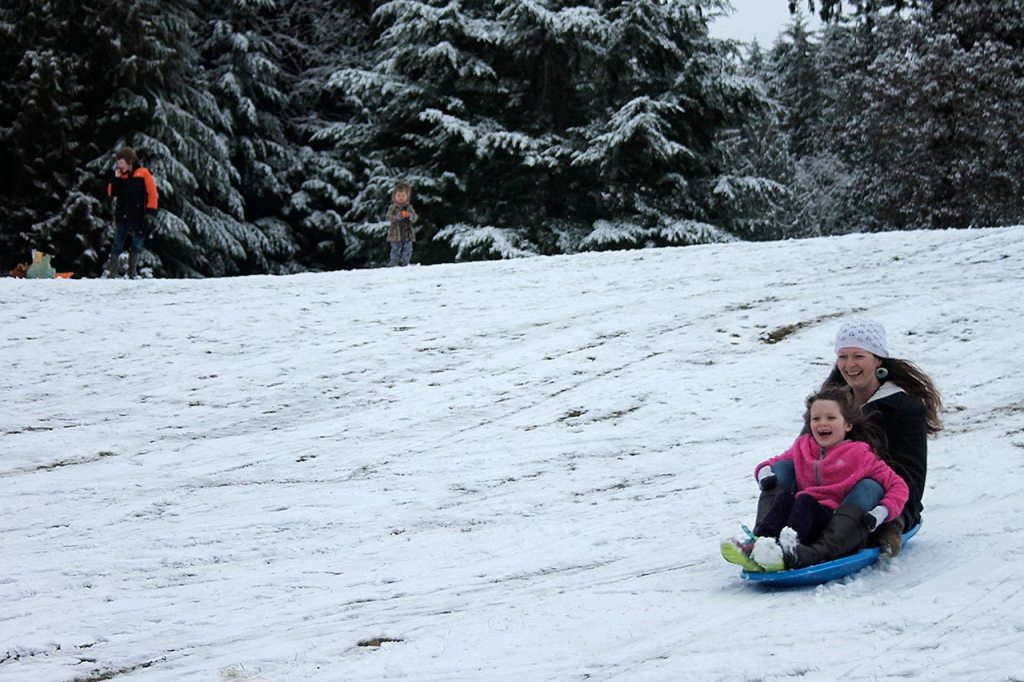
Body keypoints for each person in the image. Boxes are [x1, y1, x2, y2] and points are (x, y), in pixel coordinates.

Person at [752, 319, 942, 568]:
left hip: (867, 506)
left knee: (869, 484)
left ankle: (820, 549)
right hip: (816, 503)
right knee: (783, 468)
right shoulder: (830, 402)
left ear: (878, 359)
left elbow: (910, 479)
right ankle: (763, 541)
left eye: (858, 356)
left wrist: (894, 521)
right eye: (843, 357)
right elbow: (806, 451)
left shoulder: (904, 407)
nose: (849, 365)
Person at [722, 386, 909, 572]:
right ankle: (761, 543)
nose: (822, 423)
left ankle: (788, 548)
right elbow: (774, 463)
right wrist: (765, 474)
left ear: (847, 425)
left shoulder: (860, 454)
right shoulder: (803, 446)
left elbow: (898, 485)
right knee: (785, 499)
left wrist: (882, 511)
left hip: (832, 520)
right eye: (816, 418)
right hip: (802, 516)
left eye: (831, 418)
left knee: (805, 500)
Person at [104, 146, 158, 279]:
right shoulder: (120, 176)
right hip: (122, 214)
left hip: (140, 216)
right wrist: (115, 178)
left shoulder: (144, 173)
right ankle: (112, 272)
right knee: (117, 244)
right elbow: (111, 193)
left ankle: (132, 272)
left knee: (137, 244)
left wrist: (150, 214)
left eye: (121, 162)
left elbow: (152, 194)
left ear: (129, 161)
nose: (119, 165)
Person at [386, 182, 418, 267]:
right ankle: (394, 262)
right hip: (395, 233)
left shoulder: (409, 207)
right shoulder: (392, 207)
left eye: (403, 195)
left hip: (407, 232)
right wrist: (398, 216)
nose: (401, 198)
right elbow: (389, 217)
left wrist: (409, 215)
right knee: (395, 248)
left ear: (407, 196)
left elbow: (415, 217)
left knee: (407, 248)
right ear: (394, 196)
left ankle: (405, 262)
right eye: (398, 195)